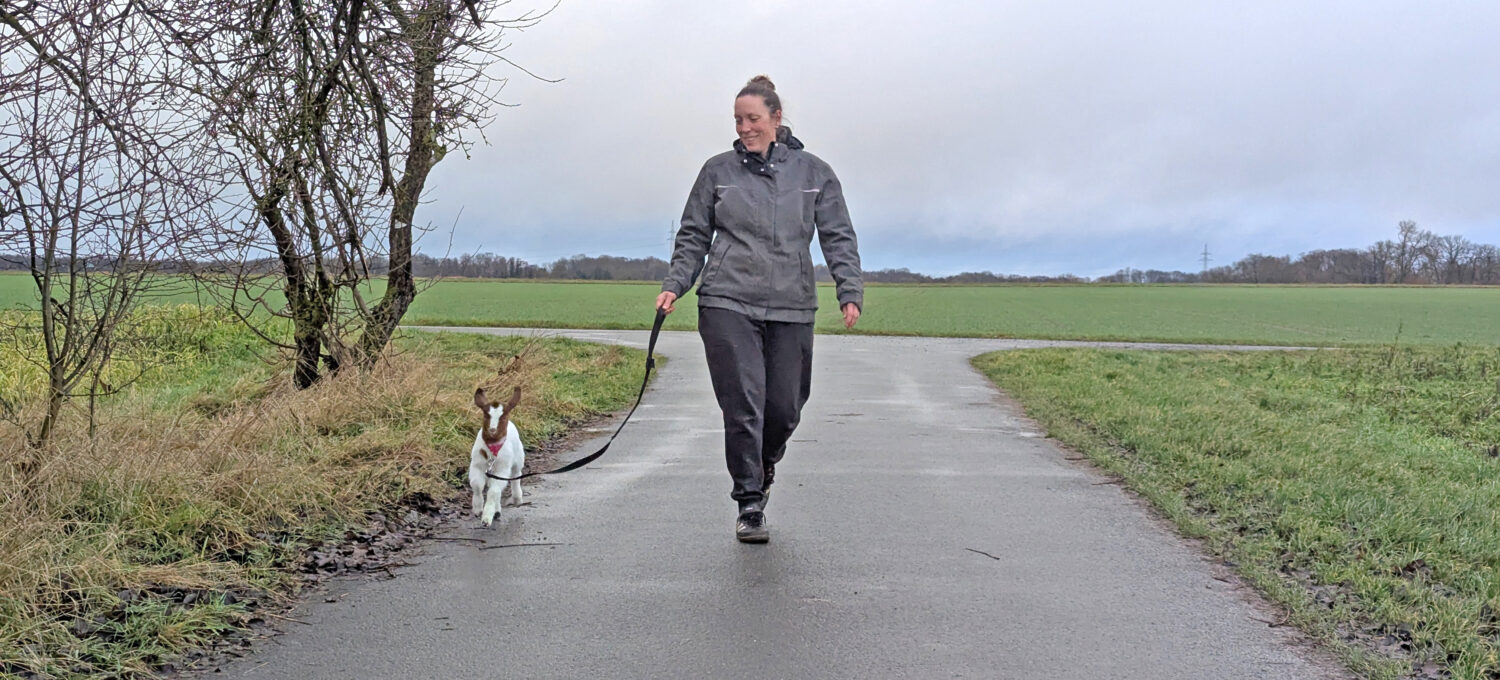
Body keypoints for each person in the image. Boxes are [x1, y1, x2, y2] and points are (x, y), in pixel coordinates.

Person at [655, 75, 864, 544]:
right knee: (744, 404)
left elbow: (838, 235)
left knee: (785, 407)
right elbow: (693, 236)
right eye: (737, 120)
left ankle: (764, 463)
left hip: (792, 303)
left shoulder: (815, 173)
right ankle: (749, 501)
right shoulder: (717, 171)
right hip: (727, 299)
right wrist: (676, 284)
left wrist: (849, 288)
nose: (744, 127)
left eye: (752, 119)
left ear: (776, 118)